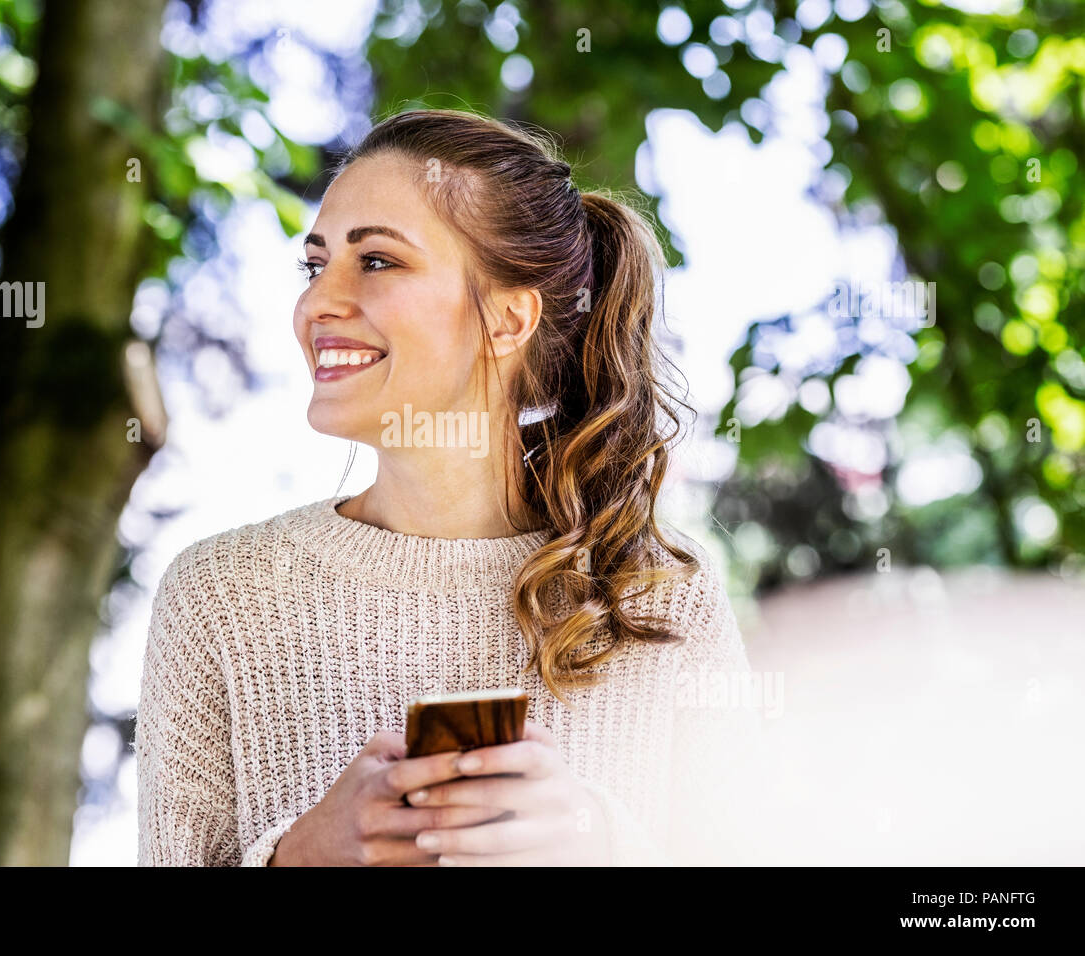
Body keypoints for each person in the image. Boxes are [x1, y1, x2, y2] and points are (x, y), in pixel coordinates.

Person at [135, 108, 767, 866]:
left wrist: (596, 840)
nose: (316, 304)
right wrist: (300, 857)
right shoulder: (221, 596)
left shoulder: (656, 598)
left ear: (508, 319)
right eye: (316, 264)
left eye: (375, 262)